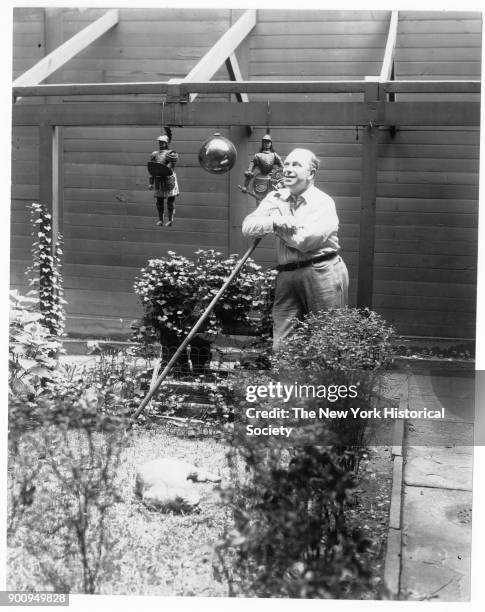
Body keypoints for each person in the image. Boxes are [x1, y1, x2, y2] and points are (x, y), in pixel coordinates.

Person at [242, 148, 349, 351]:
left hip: (321, 271)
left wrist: (276, 226)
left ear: (311, 173)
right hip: (287, 275)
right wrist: (277, 221)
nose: (288, 170)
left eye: (297, 165)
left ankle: (325, 384)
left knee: (326, 342)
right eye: (287, 164)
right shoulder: (276, 198)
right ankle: (288, 384)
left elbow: (305, 241)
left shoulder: (323, 202)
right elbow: (247, 227)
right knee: (282, 345)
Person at [148, 134, 179, 227]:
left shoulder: (171, 154)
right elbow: (153, 169)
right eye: (159, 142)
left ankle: (170, 219)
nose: (160, 144)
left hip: (168, 179)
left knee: (170, 202)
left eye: (162, 142)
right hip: (159, 179)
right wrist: (151, 182)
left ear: (166, 143)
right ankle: (160, 219)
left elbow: (169, 168)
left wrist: (163, 170)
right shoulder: (155, 154)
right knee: (159, 202)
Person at [241, 134, 283, 203]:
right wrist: (245, 186)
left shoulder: (274, 155)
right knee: (260, 201)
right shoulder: (257, 156)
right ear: (262, 143)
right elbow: (249, 171)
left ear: (271, 143)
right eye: (265, 142)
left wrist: (277, 177)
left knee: (272, 202)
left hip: (272, 180)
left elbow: (283, 168)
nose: (267, 144)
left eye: (268, 142)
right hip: (260, 180)